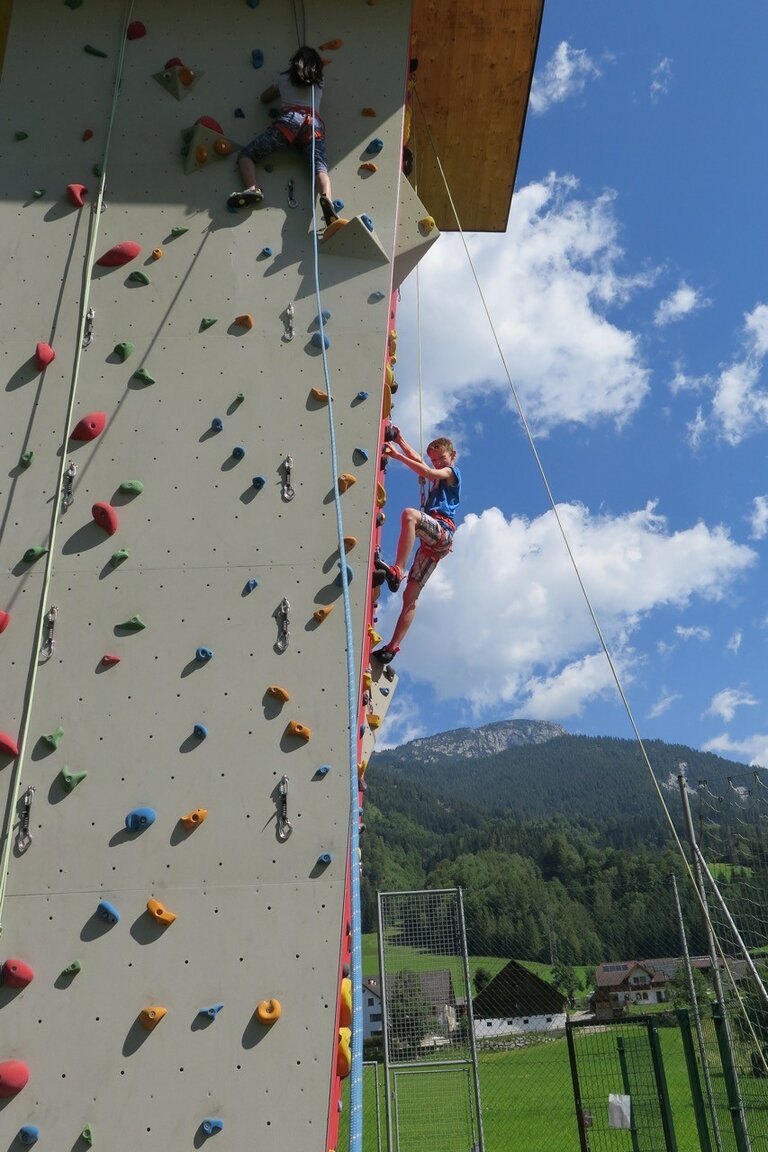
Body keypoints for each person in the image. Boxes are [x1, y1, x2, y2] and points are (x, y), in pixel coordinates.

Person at [372, 429, 461, 664]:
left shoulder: (451, 473)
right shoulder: (435, 478)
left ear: (452, 456)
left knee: (410, 515)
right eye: (435, 458)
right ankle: (392, 647)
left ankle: (397, 570)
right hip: (432, 544)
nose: (438, 462)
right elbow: (421, 462)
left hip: (442, 532)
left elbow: (427, 469)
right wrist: (400, 441)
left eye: (442, 457)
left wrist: (398, 457)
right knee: (410, 595)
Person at [227, 46, 338, 226]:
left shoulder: (284, 79)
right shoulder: (320, 82)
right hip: (314, 126)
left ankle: (252, 189)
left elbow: (264, 98)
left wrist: (278, 87)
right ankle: (327, 199)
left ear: (293, 64)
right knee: (320, 167)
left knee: (247, 155)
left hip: (290, 122)